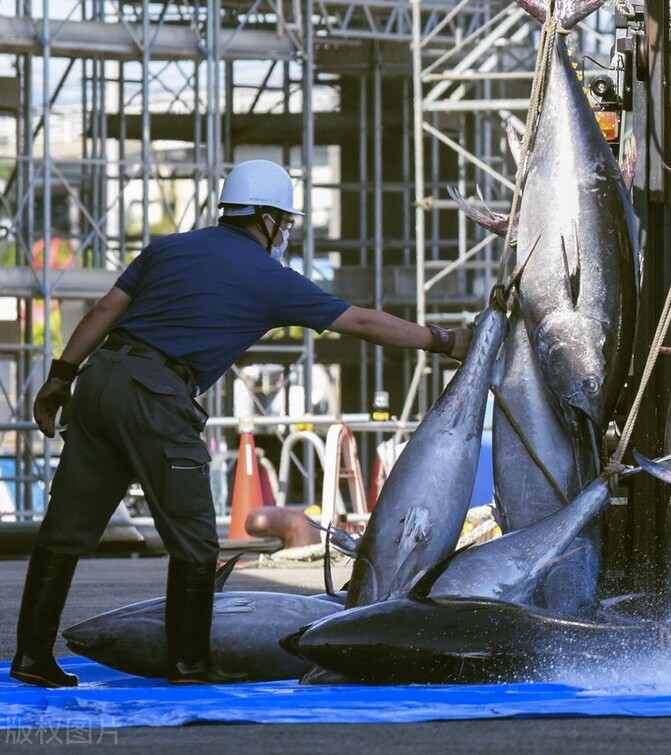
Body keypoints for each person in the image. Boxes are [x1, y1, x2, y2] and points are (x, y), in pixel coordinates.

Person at [13, 159, 472, 687]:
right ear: (270, 219)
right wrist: (444, 341)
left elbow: (102, 311)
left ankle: (32, 657)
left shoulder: (168, 248)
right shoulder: (269, 280)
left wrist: (59, 378)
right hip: (157, 394)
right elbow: (364, 322)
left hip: (98, 383)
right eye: (287, 223)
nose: (287, 234)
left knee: (65, 531)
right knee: (195, 541)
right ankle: (189, 665)